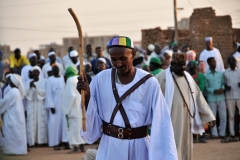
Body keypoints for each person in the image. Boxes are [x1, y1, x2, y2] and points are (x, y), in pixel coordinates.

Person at [77, 36, 178, 160]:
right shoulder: (100, 79)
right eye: (113, 59)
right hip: (110, 147)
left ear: (133, 54)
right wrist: (86, 95)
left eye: (123, 58)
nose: (118, 63)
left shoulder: (149, 83)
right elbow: (92, 115)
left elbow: (162, 122)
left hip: (139, 149)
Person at [155, 52, 215, 160]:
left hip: (186, 120)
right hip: (170, 120)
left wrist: (209, 117)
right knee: (172, 146)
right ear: (172, 64)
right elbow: (152, 100)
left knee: (185, 147)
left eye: (184, 65)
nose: (183, 68)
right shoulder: (161, 78)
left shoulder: (188, 78)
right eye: (179, 65)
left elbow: (199, 98)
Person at [0, 74, 27, 155]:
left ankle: (13, 150)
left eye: (9, 80)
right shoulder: (16, 91)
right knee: (16, 133)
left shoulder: (13, 91)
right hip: (16, 115)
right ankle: (17, 149)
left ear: (12, 82)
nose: (8, 81)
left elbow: (4, 102)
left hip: (13, 116)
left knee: (12, 132)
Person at [61, 66, 85, 153]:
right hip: (81, 108)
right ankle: (82, 147)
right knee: (80, 127)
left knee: (74, 128)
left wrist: (65, 109)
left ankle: (76, 148)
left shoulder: (70, 80)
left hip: (73, 108)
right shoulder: (78, 78)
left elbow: (70, 96)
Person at [44, 66, 68, 150]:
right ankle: (55, 143)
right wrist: (51, 106)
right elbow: (48, 93)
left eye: (56, 69)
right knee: (54, 124)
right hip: (54, 104)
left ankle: (65, 141)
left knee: (64, 123)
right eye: (54, 69)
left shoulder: (63, 78)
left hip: (63, 103)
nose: (55, 70)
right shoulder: (49, 80)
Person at [205, 57, 227, 142]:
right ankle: (214, 134)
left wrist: (222, 88)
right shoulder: (206, 75)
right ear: (209, 63)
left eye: (215, 61)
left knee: (223, 117)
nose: (215, 63)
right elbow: (206, 88)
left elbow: (223, 84)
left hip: (221, 97)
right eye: (213, 62)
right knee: (212, 118)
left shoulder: (220, 74)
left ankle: (222, 134)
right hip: (212, 98)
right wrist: (214, 91)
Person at [25, 66, 48, 147]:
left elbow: (44, 93)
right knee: (31, 123)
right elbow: (25, 94)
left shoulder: (44, 81)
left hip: (40, 104)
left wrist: (36, 88)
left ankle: (41, 142)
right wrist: (30, 87)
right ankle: (32, 142)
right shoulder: (28, 82)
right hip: (31, 105)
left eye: (37, 72)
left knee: (40, 123)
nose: (35, 73)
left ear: (39, 73)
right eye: (34, 72)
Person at [187, 61, 207, 143]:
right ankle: (194, 137)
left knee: (201, 117)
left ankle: (202, 136)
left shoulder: (201, 76)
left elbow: (201, 88)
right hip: (189, 100)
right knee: (191, 118)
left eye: (191, 68)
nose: (189, 70)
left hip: (199, 99)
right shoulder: (186, 76)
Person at [224, 56, 240, 142]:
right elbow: (224, 84)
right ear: (229, 63)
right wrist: (226, 87)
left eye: (234, 62)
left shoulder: (239, 71)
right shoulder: (225, 73)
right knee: (231, 116)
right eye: (231, 62)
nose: (233, 64)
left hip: (239, 95)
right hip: (229, 96)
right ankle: (232, 133)